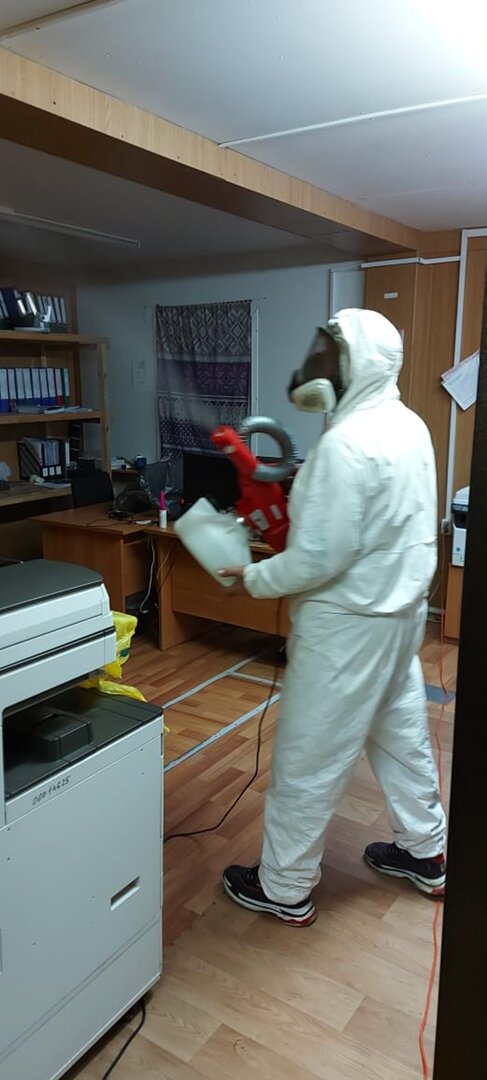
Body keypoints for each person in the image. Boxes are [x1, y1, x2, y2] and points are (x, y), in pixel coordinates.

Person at [219, 308, 446, 927]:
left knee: (308, 759)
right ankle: (426, 851)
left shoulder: (345, 444)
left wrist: (253, 578)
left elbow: (317, 558)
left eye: (324, 353)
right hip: (400, 618)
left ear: (356, 362)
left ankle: (284, 887)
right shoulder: (409, 424)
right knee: (401, 739)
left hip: (346, 628)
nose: (313, 364)